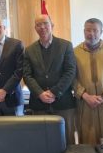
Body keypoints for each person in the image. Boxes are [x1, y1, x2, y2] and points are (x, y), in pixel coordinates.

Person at [23, 14, 77, 144]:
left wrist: (54, 92)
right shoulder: (29, 50)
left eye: (45, 23)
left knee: (66, 140)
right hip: (39, 104)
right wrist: (40, 93)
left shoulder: (65, 45)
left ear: (52, 25)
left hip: (63, 103)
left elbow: (70, 71)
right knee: (42, 141)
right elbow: (27, 75)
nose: (42, 27)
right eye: (38, 25)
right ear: (35, 28)